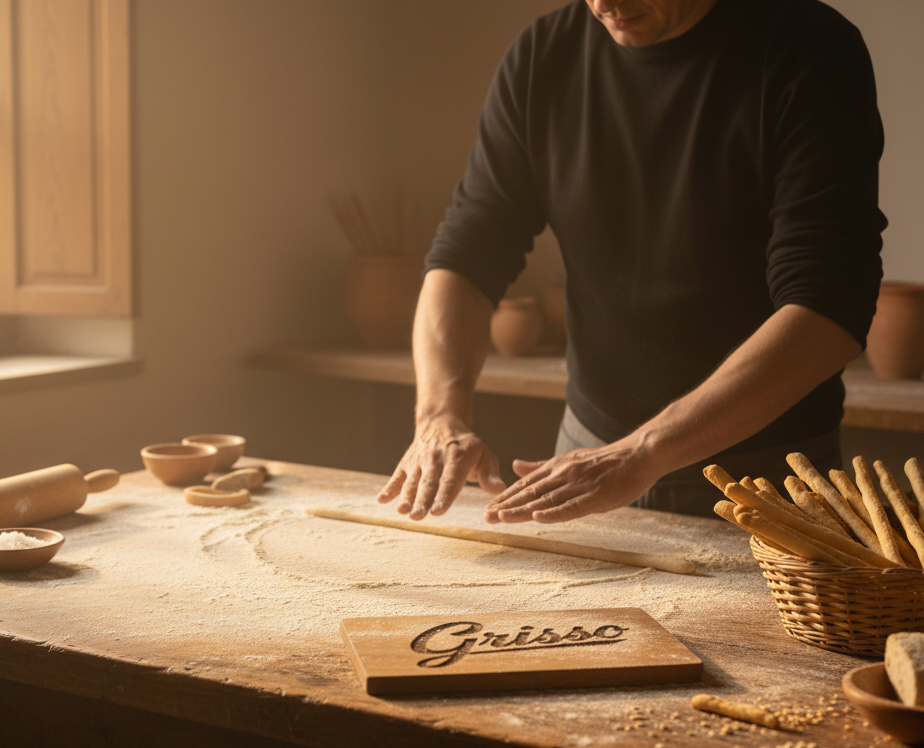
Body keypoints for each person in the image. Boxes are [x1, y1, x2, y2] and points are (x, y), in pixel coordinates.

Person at [377, 0, 886, 526]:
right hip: (584, 458)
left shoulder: (810, 50)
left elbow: (828, 309)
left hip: (765, 478)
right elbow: (468, 250)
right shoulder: (542, 56)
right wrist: (438, 415)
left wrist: (644, 452)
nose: (605, 4)